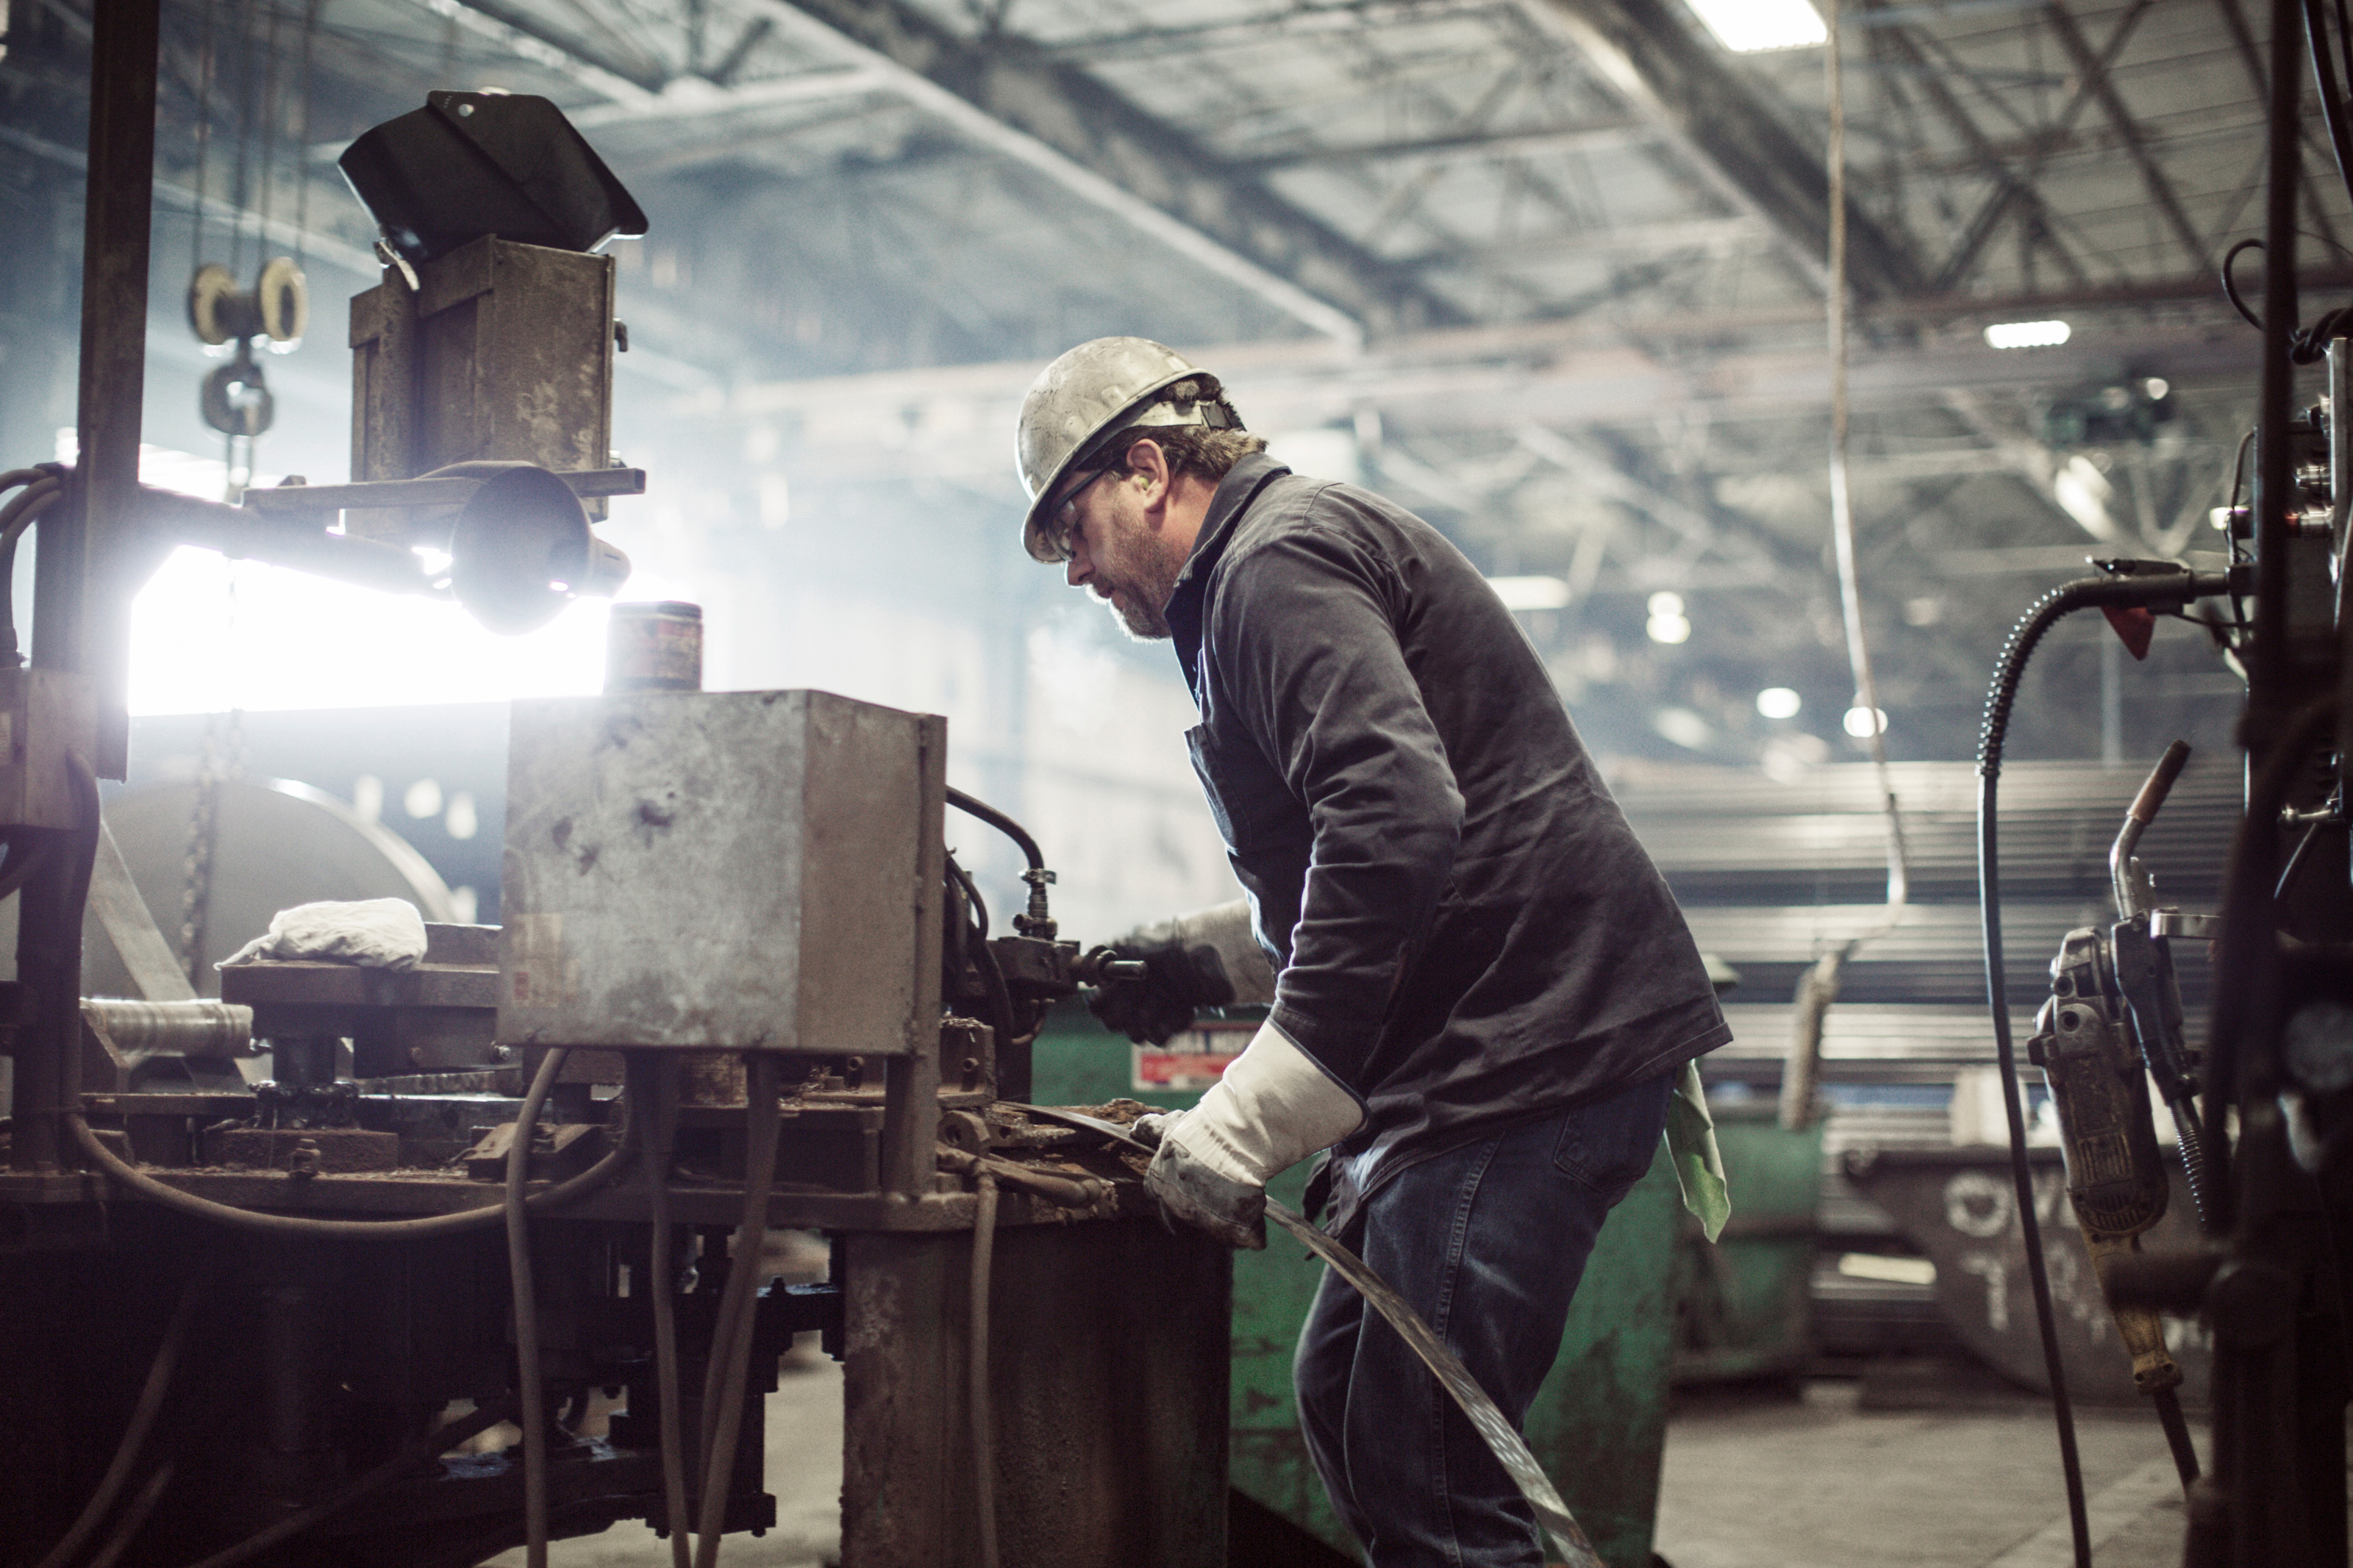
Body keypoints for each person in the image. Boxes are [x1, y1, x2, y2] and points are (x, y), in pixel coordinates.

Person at [1013, 337, 1729, 1568]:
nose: (1074, 570)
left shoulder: (1273, 562)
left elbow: (1397, 819)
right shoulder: (1257, 575)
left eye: (1070, 529)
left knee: (1428, 1474)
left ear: (1145, 468)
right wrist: (1207, 961)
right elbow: (1380, 851)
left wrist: (1252, 1116)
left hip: (1524, 1060)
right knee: (1350, 1403)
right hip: (1505, 1051)